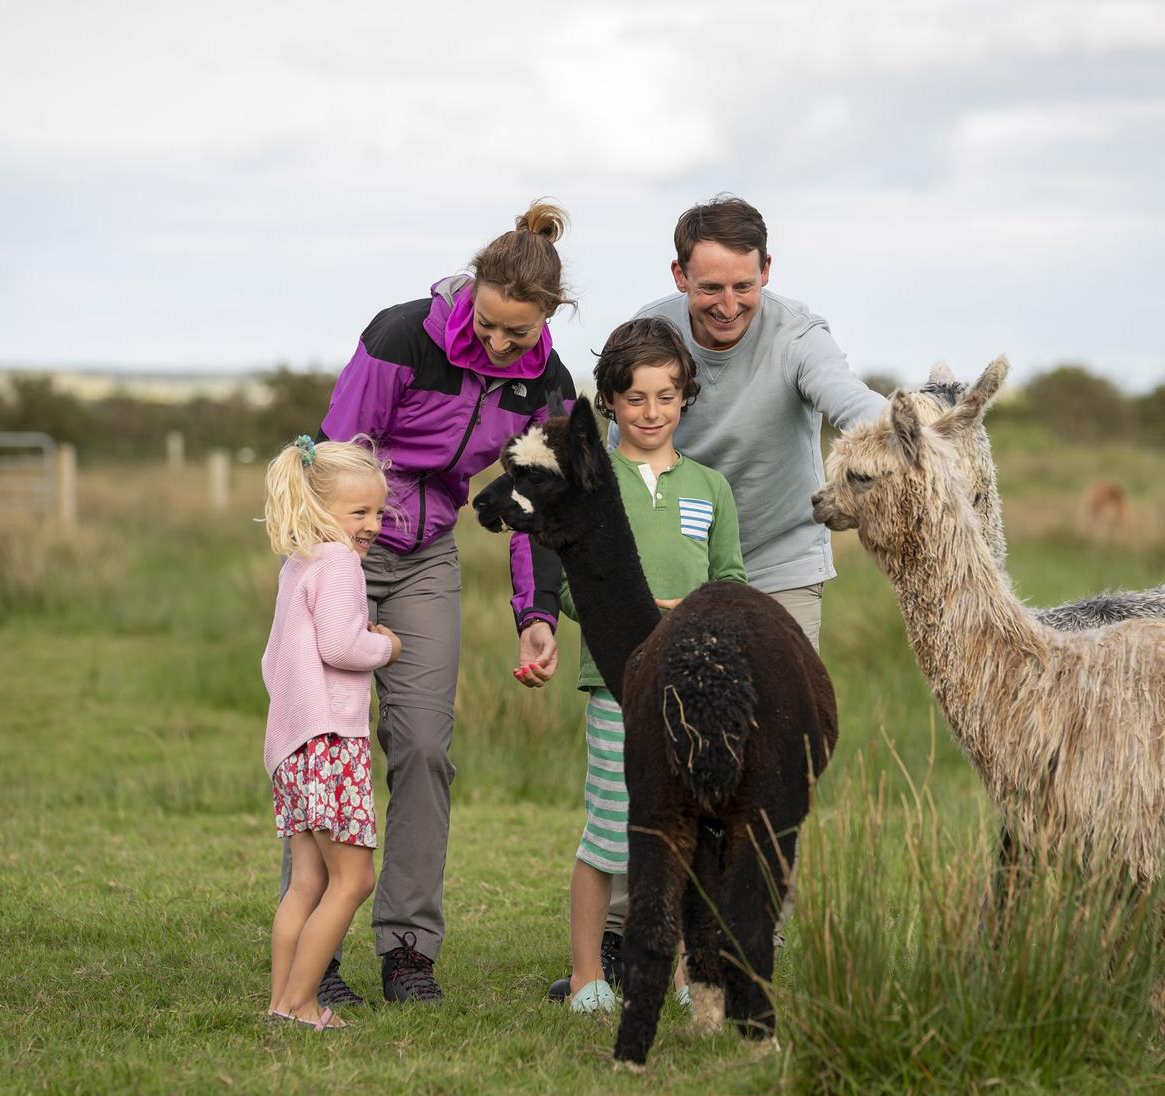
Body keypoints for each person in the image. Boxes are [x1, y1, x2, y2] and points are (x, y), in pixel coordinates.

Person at [300, 200, 578, 1007]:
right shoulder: (402, 337)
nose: (496, 343)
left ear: (547, 316)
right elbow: (334, 458)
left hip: (428, 558)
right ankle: (315, 954)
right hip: (346, 550)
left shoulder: (550, 388)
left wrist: (536, 615)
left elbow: (534, 503)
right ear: (472, 293)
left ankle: (408, 951)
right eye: (486, 324)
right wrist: (330, 565)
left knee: (423, 747)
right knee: (329, 749)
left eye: (517, 333)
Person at [592, 194, 886, 951]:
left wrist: (902, 431)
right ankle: (631, 930)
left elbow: (846, 398)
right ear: (679, 276)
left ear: (767, 271)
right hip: (677, 571)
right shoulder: (651, 332)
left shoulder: (799, 334)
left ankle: (756, 933)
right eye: (710, 287)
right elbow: (614, 438)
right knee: (654, 746)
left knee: (779, 749)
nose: (728, 305)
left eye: (743, 286)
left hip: (779, 561)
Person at [549, 318, 746, 1013]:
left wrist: (701, 613)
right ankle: (586, 977)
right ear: (608, 400)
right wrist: (632, 612)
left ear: (685, 396)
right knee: (610, 836)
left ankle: (691, 976)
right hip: (618, 687)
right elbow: (568, 587)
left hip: (693, 694)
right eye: (635, 398)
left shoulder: (711, 488)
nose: (652, 411)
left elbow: (731, 582)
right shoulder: (589, 484)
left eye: (666, 396)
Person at [261, 435, 400, 1029]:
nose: (372, 525)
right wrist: (385, 645)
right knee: (354, 879)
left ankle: (280, 1004)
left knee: (307, 881)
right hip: (331, 745)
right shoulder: (340, 563)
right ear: (321, 509)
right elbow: (342, 646)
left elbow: (275, 657)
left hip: (292, 747)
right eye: (359, 512)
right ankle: (303, 1004)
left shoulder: (300, 564)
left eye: (378, 511)